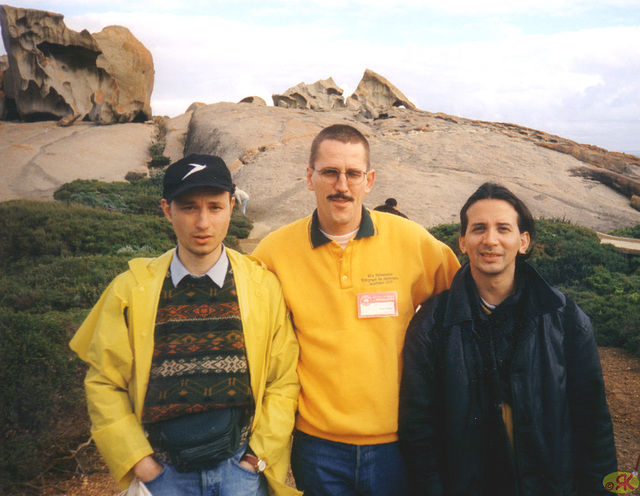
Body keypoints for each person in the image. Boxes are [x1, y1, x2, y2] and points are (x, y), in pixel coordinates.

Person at [70, 154, 301, 496]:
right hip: (164, 477)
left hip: (239, 472)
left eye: (215, 207)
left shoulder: (262, 286)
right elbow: (104, 382)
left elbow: (283, 379)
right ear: (167, 210)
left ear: (232, 206)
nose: (203, 222)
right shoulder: (129, 289)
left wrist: (255, 459)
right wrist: (141, 463)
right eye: (189, 207)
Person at [252, 124, 460, 496]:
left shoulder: (413, 242)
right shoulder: (273, 252)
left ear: (370, 180)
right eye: (330, 172)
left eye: (353, 174)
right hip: (317, 447)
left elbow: (463, 304)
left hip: (399, 443)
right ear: (309, 177)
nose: (341, 185)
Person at [398, 182, 617, 496]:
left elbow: (593, 425)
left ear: (523, 241)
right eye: (478, 229)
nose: (490, 240)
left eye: (503, 228)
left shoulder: (564, 318)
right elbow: (418, 429)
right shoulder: (433, 323)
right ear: (462, 241)